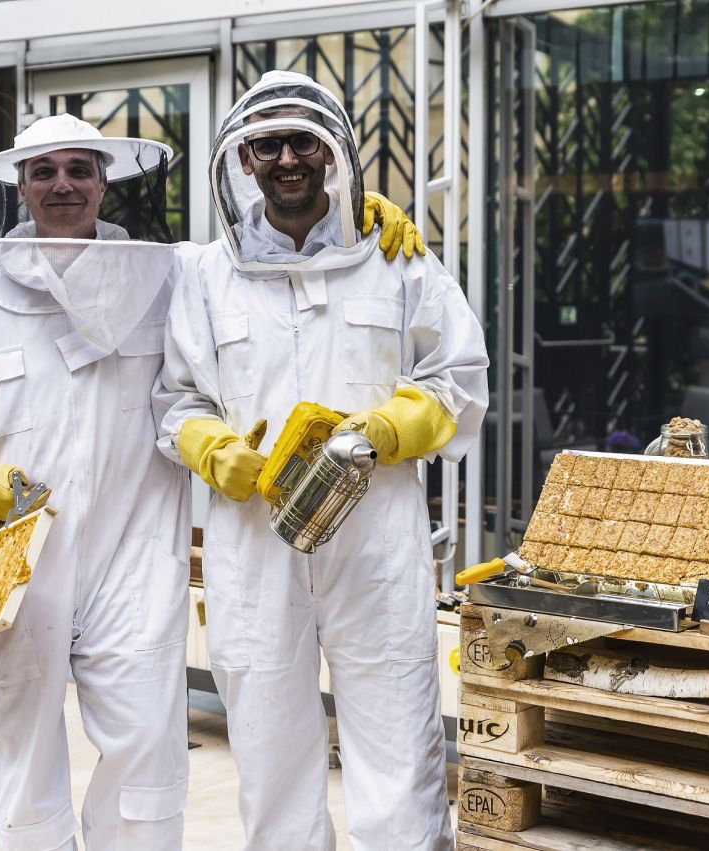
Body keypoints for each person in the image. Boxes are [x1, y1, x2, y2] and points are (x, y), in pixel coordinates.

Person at [0, 112, 425, 851]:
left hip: (133, 558)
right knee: (19, 748)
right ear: (20, 186)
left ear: (105, 181)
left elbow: (259, 260)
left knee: (147, 750)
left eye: (81, 168)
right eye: (44, 170)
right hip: (15, 561)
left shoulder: (169, 273)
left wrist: (347, 219)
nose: (64, 184)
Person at [158, 71, 488, 850]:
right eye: (266, 144)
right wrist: (212, 448)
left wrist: (390, 426)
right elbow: (173, 399)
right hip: (253, 535)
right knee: (267, 733)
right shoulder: (204, 274)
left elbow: (459, 375)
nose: (286, 158)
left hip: (375, 534)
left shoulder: (396, 256)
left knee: (397, 723)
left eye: (303, 140)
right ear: (243, 160)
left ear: (333, 151)